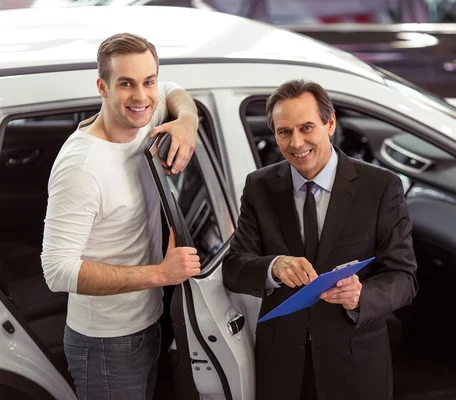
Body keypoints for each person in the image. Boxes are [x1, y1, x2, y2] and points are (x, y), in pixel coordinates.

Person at [223, 79, 418, 400]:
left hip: (354, 362)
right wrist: (272, 267)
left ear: (330, 124)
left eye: (306, 127)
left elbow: (404, 277)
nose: (296, 142)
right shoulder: (260, 187)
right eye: (284, 131)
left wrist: (360, 296)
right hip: (282, 365)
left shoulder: (380, 186)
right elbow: (233, 268)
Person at [40, 33, 201, 400]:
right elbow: (57, 270)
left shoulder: (144, 115)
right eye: (126, 84)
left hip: (147, 321)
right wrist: (161, 274)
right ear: (102, 86)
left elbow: (174, 90)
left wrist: (187, 120)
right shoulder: (82, 168)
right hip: (105, 343)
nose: (142, 96)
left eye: (148, 81)